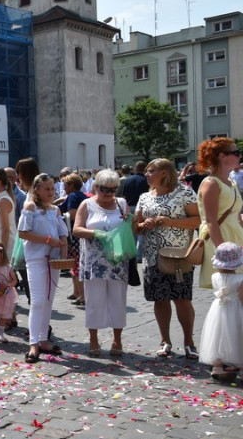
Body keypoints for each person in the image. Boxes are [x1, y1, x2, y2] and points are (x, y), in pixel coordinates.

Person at [134, 158, 201, 359]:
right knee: (160, 299)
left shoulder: (184, 192)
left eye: (151, 171)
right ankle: (165, 341)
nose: (147, 174)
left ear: (164, 172)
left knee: (182, 299)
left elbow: (198, 220)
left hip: (178, 255)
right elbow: (136, 227)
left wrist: (170, 221)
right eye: (146, 171)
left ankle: (189, 342)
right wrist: (144, 225)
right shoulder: (144, 197)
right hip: (152, 256)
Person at [73, 169, 131, 358]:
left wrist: (133, 222)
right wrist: (96, 233)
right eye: (105, 189)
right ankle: (94, 339)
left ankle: (117, 340)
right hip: (94, 263)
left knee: (118, 301)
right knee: (94, 302)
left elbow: (130, 229)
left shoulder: (121, 204)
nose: (109, 193)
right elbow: (76, 230)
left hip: (117, 262)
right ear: (96, 187)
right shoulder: (87, 204)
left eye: (113, 189)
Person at [18, 173, 68, 363]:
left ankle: (43, 339)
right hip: (36, 259)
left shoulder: (55, 209)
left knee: (48, 300)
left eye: (52, 188)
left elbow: (63, 234)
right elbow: (23, 233)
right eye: (47, 189)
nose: (51, 192)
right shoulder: (30, 207)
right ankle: (33, 343)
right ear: (37, 190)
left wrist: (63, 253)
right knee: (38, 300)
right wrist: (47, 240)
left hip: (53, 260)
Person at [196, 137, 243, 290]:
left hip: (236, 236)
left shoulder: (232, 183)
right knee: (228, 290)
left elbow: (237, 215)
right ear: (222, 156)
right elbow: (211, 221)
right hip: (221, 238)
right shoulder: (211, 183)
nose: (240, 156)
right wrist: (223, 252)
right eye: (236, 153)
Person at [198, 242, 243, 382]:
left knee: (218, 336)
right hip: (236, 310)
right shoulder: (240, 279)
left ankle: (217, 367)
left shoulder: (215, 277)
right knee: (237, 336)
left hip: (218, 309)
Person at [59, 173, 88, 305]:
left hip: (74, 236)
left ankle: (82, 295)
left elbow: (72, 215)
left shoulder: (73, 196)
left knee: (76, 264)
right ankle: (77, 292)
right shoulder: (81, 195)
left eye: (65, 185)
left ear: (71, 185)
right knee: (75, 264)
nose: (64, 187)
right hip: (79, 235)